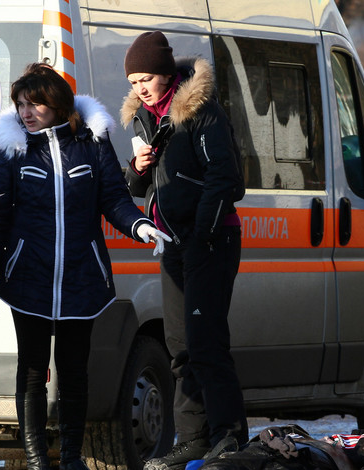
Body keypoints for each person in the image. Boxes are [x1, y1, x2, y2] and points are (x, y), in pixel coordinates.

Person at [0, 62, 170, 470]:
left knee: (74, 371)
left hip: (81, 276)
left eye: (35, 104)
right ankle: (36, 459)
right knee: (31, 370)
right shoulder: (12, 150)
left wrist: (139, 225)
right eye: (21, 105)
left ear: (58, 105)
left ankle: (72, 458)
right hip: (28, 277)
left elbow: (113, 200)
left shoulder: (92, 143)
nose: (26, 112)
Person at [120, 31, 248, 469]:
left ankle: (229, 438)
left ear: (166, 74)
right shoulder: (144, 119)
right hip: (174, 243)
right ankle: (192, 439)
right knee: (179, 345)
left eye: (147, 78)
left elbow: (227, 178)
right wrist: (137, 170)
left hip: (212, 239)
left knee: (206, 342)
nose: (140, 87)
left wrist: (203, 234)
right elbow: (138, 187)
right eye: (134, 80)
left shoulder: (198, 109)